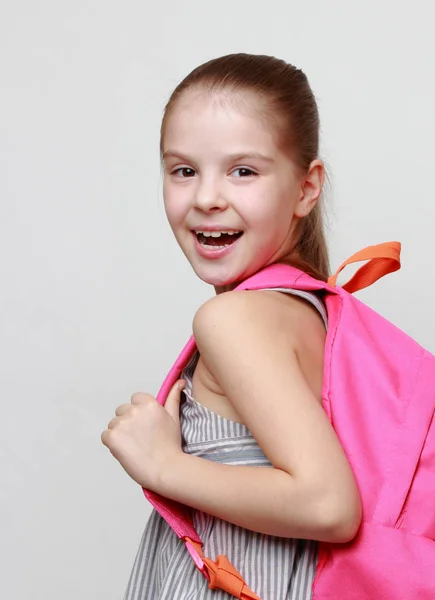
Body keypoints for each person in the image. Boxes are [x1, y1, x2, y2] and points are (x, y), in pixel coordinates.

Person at [101, 53, 362, 600]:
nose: (206, 197)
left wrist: (163, 464)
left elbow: (328, 505)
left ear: (306, 188)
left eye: (243, 171)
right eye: (183, 170)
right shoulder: (309, 308)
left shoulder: (233, 318)